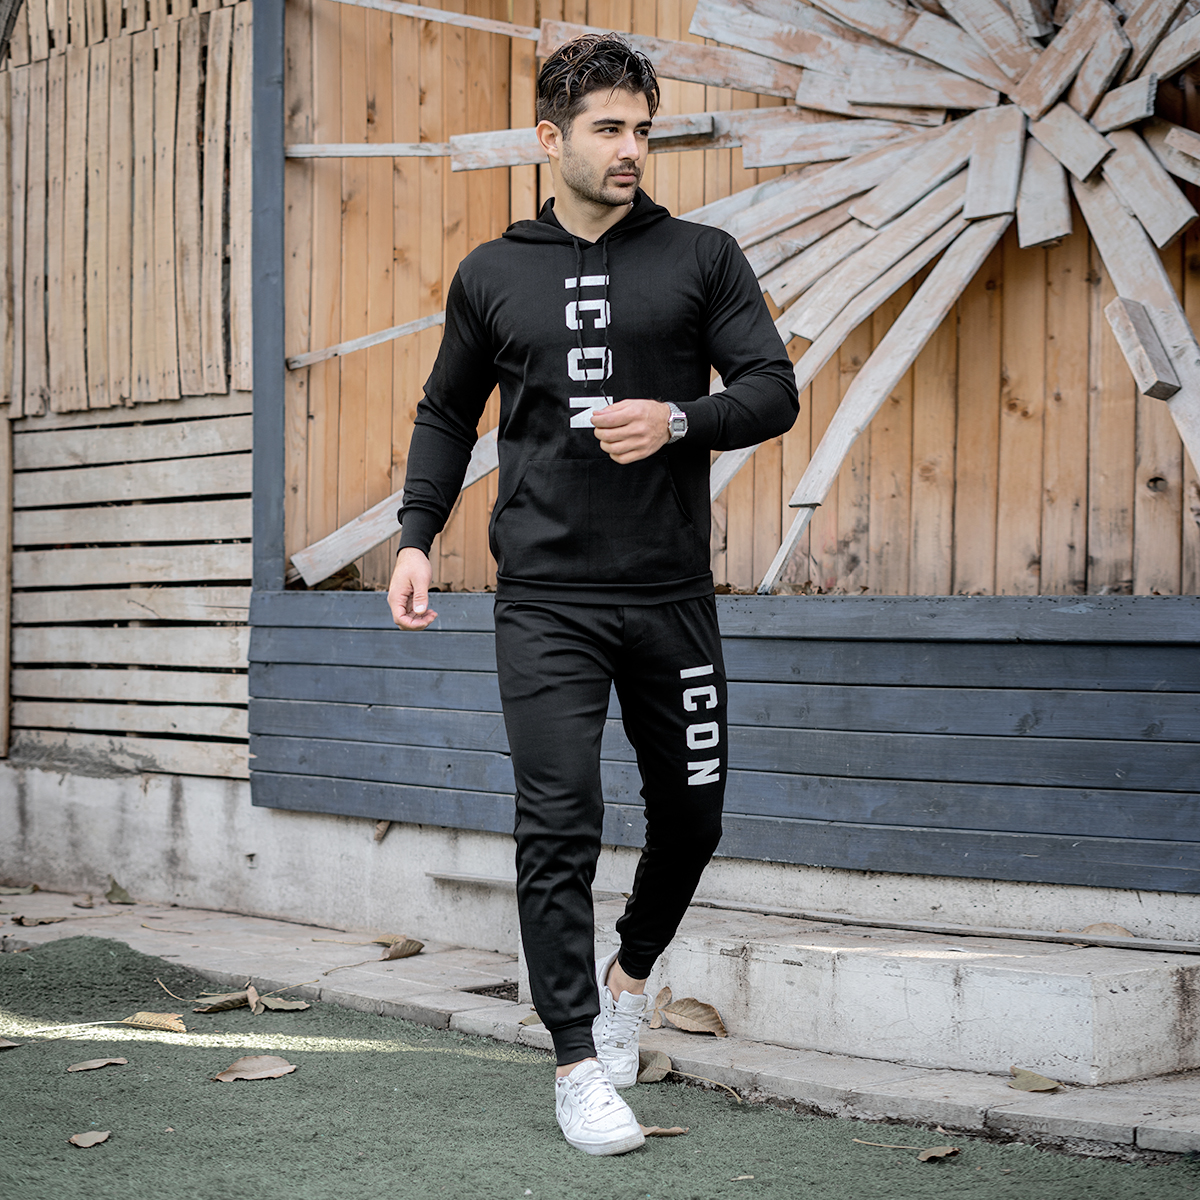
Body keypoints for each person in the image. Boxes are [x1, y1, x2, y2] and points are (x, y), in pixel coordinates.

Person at [387, 33, 798, 1156]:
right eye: (609, 129)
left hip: (670, 593)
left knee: (694, 818)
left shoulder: (702, 257)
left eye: (641, 131)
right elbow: (445, 413)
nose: (630, 150)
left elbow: (772, 390)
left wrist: (678, 419)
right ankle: (576, 1061)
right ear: (549, 138)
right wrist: (416, 536)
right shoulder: (492, 273)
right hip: (547, 600)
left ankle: (628, 984)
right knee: (559, 821)